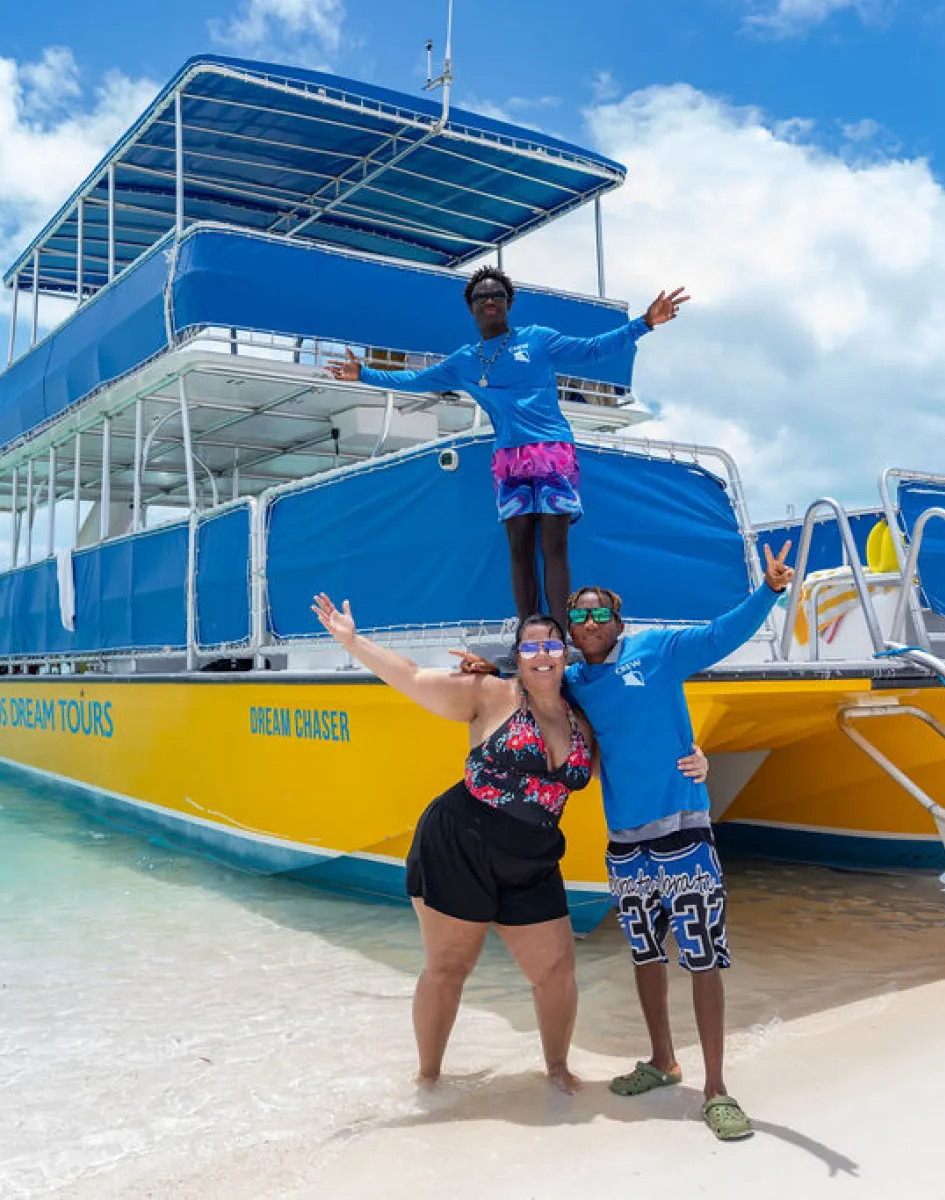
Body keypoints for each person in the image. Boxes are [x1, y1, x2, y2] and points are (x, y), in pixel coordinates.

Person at [310, 593, 707, 1094]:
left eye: (552, 646)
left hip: (534, 857)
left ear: (565, 654)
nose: (543, 654)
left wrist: (697, 759)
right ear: (517, 656)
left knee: (557, 970)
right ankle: (427, 1080)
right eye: (531, 647)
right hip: (460, 844)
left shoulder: (582, 718)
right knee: (449, 968)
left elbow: (636, 753)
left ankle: (557, 1069)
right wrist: (352, 641)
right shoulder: (489, 694)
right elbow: (410, 677)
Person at [562, 541, 794, 1141]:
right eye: (578, 616)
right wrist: (486, 670)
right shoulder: (573, 682)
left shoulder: (656, 650)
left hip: (684, 834)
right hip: (625, 845)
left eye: (599, 613)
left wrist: (768, 590)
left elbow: (722, 635)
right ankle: (663, 1061)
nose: (589, 623)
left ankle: (716, 1089)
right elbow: (526, 686)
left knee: (704, 957)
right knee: (644, 955)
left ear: (618, 620)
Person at [326, 268, 689, 632]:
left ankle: (560, 635)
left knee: (554, 547)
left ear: (508, 304)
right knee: (519, 551)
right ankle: (530, 632)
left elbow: (592, 349)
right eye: (481, 296)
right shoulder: (465, 361)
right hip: (509, 461)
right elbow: (416, 379)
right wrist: (364, 374)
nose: (489, 301)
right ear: (470, 308)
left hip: (552, 452)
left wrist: (644, 322)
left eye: (497, 295)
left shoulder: (538, 340)